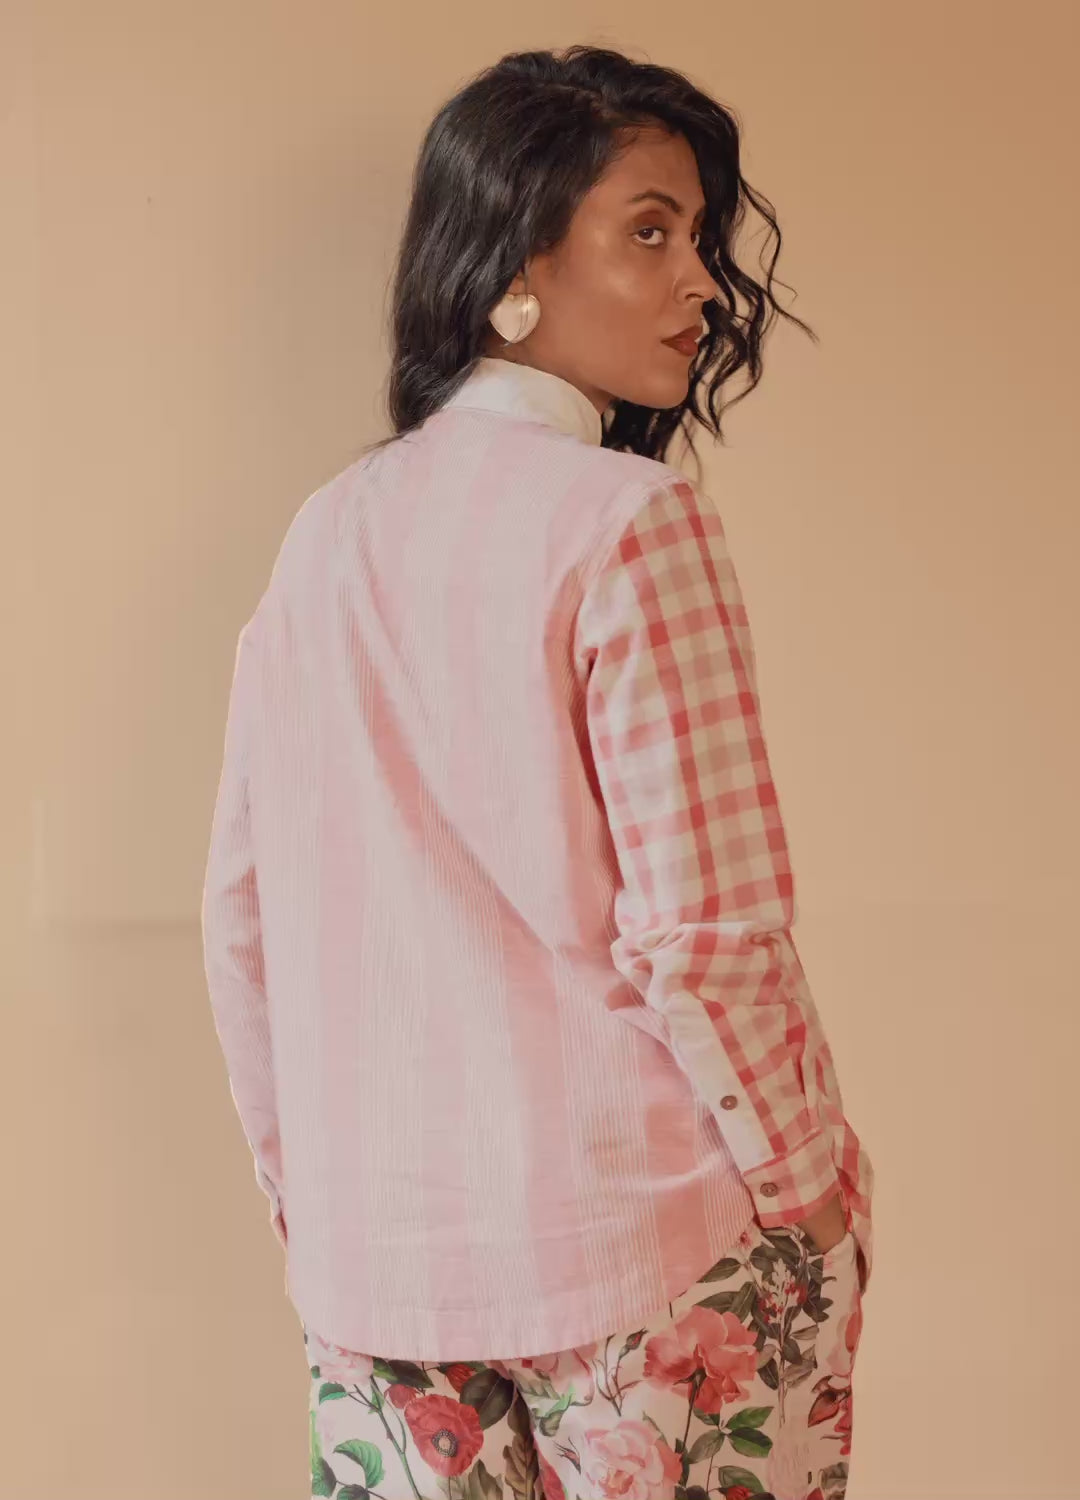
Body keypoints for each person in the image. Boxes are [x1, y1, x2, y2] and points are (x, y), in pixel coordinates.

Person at [201, 43, 874, 1500]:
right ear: (516, 261)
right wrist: (810, 1188)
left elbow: (241, 919)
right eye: (651, 231)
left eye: (699, 239)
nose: (702, 284)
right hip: (649, 1252)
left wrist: (311, 1199)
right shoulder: (629, 522)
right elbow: (705, 934)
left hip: (379, 1275)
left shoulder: (325, 535)